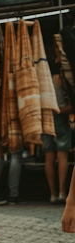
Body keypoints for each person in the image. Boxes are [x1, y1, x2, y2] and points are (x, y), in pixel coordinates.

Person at [43, 61, 72, 204]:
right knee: (62, 155)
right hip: (60, 119)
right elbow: (71, 106)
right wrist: (59, 111)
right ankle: (62, 192)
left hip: (45, 119)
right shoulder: (61, 79)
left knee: (49, 156)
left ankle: (52, 194)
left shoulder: (41, 81)